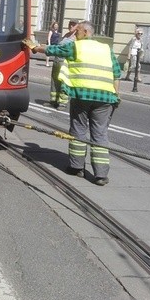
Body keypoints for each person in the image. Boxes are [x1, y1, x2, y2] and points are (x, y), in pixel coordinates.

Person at [26, 21, 121, 186]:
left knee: (78, 130)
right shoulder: (106, 49)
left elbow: (56, 50)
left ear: (85, 31)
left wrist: (35, 48)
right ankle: (101, 175)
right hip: (106, 99)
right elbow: (117, 74)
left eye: (77, 31)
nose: (74, 34)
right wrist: (116, 96)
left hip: (82, 96)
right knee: (100, 134)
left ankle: (76, 167)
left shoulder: (77, 47)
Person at [49, 19, 78, 108]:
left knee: (63, 82)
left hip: (65, 62)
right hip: (57, 60)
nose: (71, 26)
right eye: (70, 24)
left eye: (73, 25)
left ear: (77, 26)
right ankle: (54, 100)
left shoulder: (76, 37)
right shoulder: (66, 35)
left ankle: (62, 102)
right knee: (54, 81)